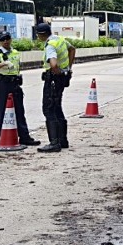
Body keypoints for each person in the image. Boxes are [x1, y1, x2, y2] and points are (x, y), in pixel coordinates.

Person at [0, 32, 40, 146]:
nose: (5, 41)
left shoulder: (15, 52)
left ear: (11, 39)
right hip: (2, 84)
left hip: (15, 83)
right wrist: (3, 63)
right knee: (2, 111)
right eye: (2, 39)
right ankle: (1, 137)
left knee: (20, 110)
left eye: (7, 38)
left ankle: (24, 137)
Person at [34, 22, 76, 153]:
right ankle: (63, 140)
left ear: (41, 35)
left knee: (49, 109)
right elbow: (72, 49)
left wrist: (57, 72)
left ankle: (54, 142)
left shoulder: (50, 45)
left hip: (52, 80)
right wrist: (68, 69)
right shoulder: (60, 39)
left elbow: (53, 64)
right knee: (57, 107)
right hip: (61, 79)